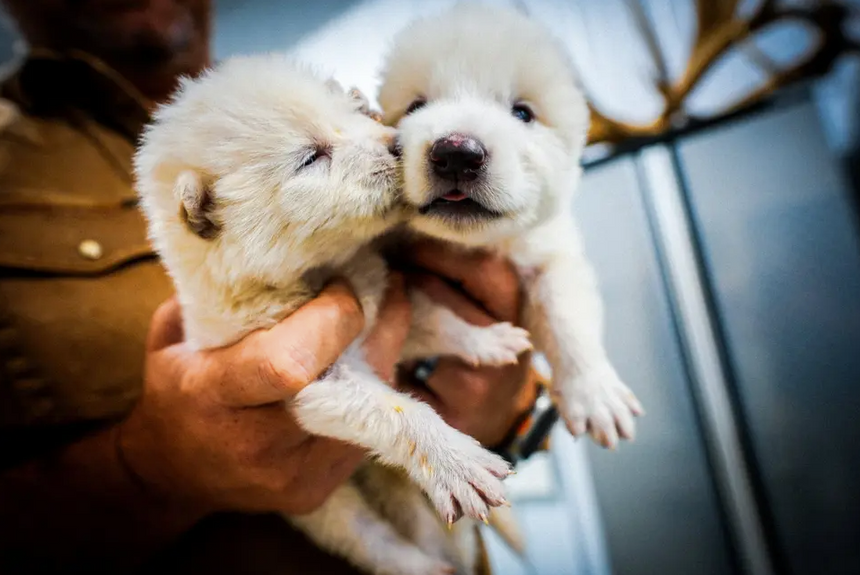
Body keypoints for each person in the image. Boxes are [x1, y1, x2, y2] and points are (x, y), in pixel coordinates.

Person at [0, 1, 543, 573]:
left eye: (355, 117)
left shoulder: (301, 90)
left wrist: (514, 413)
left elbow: (510, 347)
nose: (385, 141)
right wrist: (149, 470)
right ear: (205, 211)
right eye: (311, 157)